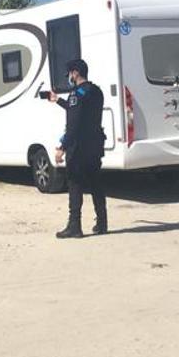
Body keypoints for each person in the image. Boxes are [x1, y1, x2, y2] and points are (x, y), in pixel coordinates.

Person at [48, 58, 107, 239]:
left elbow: (73, 124)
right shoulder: (96, 91)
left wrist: (62, 147)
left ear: (75, 73)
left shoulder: (75, 94)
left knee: (75, 185)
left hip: (79, 148)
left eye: (70, 74)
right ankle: (102, 223)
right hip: (94, 146)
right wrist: (58, 101)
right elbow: (80, 111)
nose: (69, 78)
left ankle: (75, 225)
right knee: (96, 183)